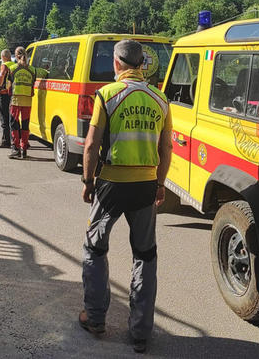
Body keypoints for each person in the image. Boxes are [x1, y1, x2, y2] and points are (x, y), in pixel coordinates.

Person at [79, 40, 173, 354]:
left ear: (117, 64)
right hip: (146, 184)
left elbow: (91, 144)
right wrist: (160, 184)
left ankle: (95, 318)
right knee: (145, 255)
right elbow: (166, 148)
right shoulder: (160, 99)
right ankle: (141, 333)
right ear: (142, 64)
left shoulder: (106, 95)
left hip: (111, 184)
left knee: (95, 246)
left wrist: (88, 181)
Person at [7, 46, 48, 160]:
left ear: (16, 56)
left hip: (15, 101)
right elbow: (44, 73)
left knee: (14, 125)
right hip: (28, 102)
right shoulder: (32, 70)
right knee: (25, 125)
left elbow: (8, 86)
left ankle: (15, 149)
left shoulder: (13, 68)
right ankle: (24, 149)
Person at [0, 49, 16, 149]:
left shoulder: (5, 64)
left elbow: (2, 75)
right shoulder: (14, 65)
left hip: (4, 93)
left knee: (4, 117)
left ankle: (5, 141)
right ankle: (13, 140)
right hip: (12, 93)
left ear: (3, 57)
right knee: (12, 117)